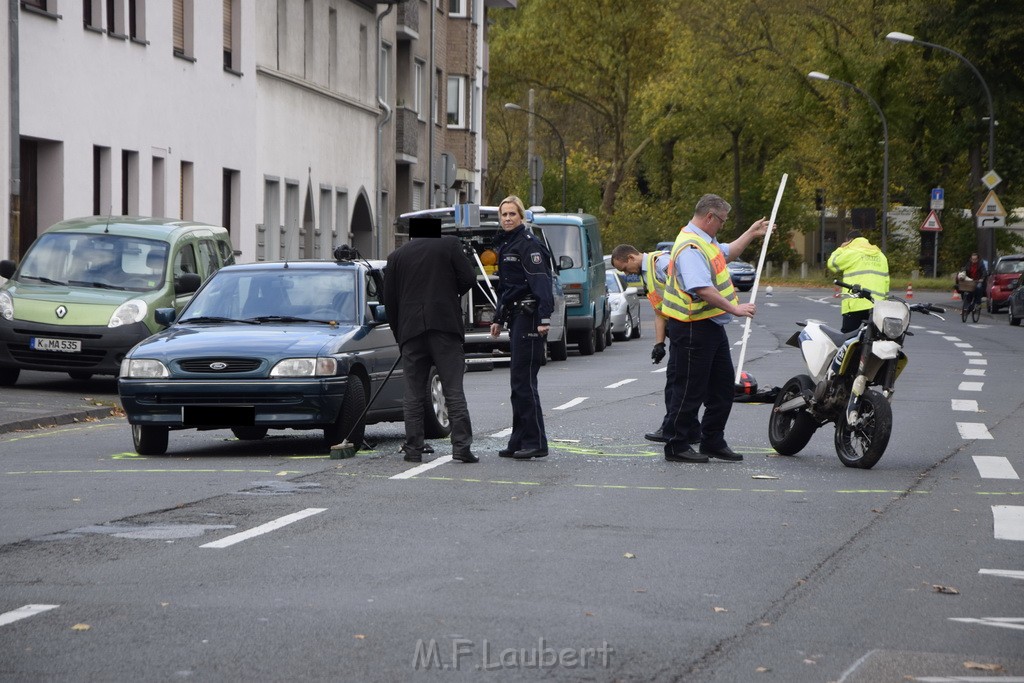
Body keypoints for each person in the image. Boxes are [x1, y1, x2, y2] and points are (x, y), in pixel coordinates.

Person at [660, 194, 771, 463]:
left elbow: (727, 252)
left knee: (722, 387)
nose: (722, 225)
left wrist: (751, 233)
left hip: (709, 325)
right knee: (690, 389)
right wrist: (735, 309)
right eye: (721, 220)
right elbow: (701, 288)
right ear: (709, 217)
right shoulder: (691, 248)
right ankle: (676, 444)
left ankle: (712, 440)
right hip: (692, 327)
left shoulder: (706, 242)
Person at [384, 216, 479, 464]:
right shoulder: (449, 245)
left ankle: (413, 449)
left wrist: (400, 337)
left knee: (413, 394)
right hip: (445, 326)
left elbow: (390, 303)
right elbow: (469, 278)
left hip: (410, 332)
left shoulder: (397, 257)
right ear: (436, 230)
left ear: (412, 234)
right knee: (453, 390)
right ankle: (461, 447)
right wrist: (449, 292)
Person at [610, 243, 700, 446]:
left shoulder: (661, 264)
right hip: (676, 329)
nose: (626, 273)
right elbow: (659, 311)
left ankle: (676, 429)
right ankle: (687, 429)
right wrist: (659, 344)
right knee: (676, 381)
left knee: (679, 382)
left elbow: (689, 289)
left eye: (624, 268)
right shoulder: (646, 274)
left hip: (687, 326)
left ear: (631, 258)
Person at [488, 195, 554, 460]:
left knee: (524, 382)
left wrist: (544, 319)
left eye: (512, 214)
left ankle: (536, 441)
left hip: (530, 317)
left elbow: (541, 283)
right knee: (518, 383)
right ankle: (518, 440)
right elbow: (508, 289)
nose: (507, 219)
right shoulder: (508, 244)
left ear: (521, 217)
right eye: (503, 215)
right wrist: (498, 318)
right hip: (516, 316)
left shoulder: (529, 245)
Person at [826, 229, 890, 333]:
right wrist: (884, 302)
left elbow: (832, 264)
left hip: (855, 303)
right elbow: (886, 281)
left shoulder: (851, 252)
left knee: (848, 338)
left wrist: (841, 249)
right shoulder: (881, 255)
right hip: (877, 305)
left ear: (850, 240)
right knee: (873, 339)